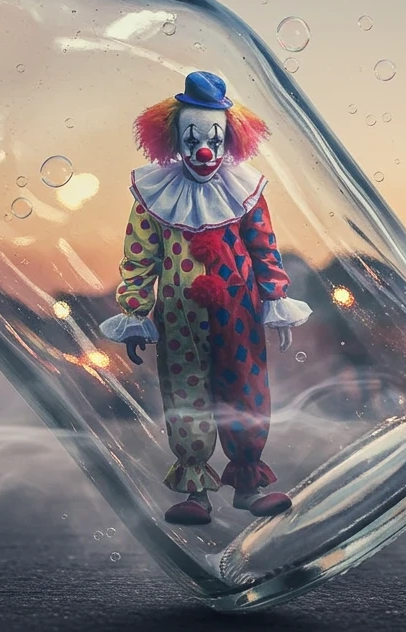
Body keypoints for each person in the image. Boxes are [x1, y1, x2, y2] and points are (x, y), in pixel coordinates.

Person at [100, 71, 312, 525]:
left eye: (214, 142)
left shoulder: (246, 191)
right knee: (186, 394)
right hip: (178, 315)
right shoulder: (153, 195)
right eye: (194, 140)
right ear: (174, 139)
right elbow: (139, 255)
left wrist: (277, 303)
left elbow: (264, 248)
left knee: (246, 389)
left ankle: (249, 484)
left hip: (239, 309)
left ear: (229, 141)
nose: (204, 152)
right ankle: (196, 490)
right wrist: (135, 311)